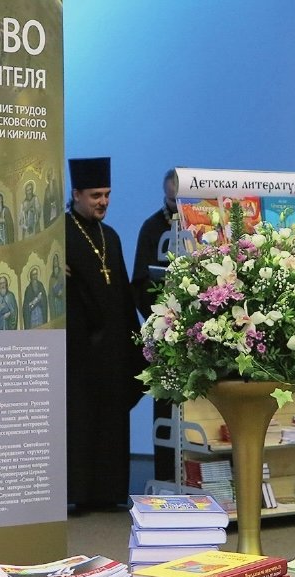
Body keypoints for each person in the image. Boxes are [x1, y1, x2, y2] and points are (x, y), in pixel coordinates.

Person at [67, 157, 145, 513]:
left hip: (112, 346)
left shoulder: (109, 235)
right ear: (77, 194)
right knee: (83, 419)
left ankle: (109, 491)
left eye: (107, 195)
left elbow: (123, 293)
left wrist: (135, 341)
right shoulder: (60, 234)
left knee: (112, 418)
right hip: (79, 348)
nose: (103, 202)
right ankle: (81, 493)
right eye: (96, 195)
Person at [131, 168, 180, 484]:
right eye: (172, 201)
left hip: (199, 333)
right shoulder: (152, 228)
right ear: (165, 195)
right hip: (165, 334)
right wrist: (162, 317)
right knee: (167, 407)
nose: (177, 208)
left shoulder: (204, 225)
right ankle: (166, 478)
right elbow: (139, 282)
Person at [48, 253, 66, 320]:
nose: (55, 262)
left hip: (61, 300)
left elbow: (64, 286)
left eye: (56, 260)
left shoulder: (61, 273)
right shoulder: (51, 277)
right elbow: (50, 292)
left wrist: (61, 291)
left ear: (58, 261)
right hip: (55, 302)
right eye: (54, 260)